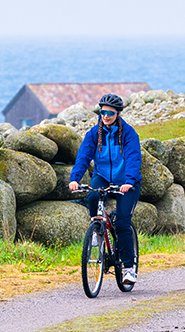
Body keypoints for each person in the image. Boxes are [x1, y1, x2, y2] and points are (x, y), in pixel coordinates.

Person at [68, 93, 142, 285]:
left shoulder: (128, 133)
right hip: (103, 177)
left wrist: (129, 181)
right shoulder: (94, 133)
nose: (106, 116)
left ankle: (128, 269)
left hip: (127, 181)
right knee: (93, 195)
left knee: (123, 224)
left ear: (118, 113)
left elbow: (134, 158)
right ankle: (97, 230)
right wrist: (75, 179)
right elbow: (83, 157)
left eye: (110, 112)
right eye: (102, 112)